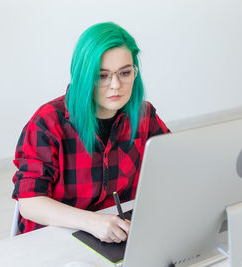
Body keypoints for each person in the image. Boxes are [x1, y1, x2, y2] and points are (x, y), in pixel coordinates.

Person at [12, 22, 170, 243]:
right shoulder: (48, 122)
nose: (116, 85)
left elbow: (174, 164)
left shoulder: (145, 116)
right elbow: (29, 202)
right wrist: (92, 222)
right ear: (84, 76)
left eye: (124, 73)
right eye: (102, 75)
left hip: (119, 234)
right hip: (55, 237)